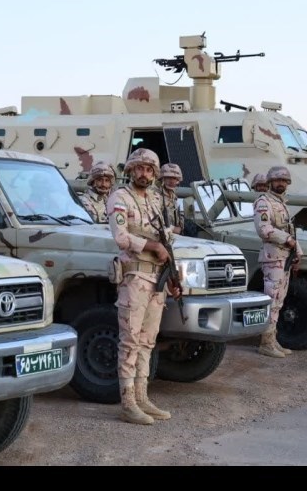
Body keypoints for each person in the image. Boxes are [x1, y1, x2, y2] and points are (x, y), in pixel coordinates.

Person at [106, 148, 180, 425]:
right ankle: (128, 403)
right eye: (139, 168)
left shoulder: (155, 200)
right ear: (130, 170)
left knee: (148, 341)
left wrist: (173, 277)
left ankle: (142, 397)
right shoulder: (120, 198)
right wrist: (152, 246)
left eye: (149, 170)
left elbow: (166, 241)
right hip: (135, 277)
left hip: (156, 279)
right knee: (130, 340)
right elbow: (121, 237)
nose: (144, 174)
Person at [253, 165, 303, 359]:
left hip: (284, 258)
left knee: (279, 301)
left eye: (283, 180)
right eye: (277, 180)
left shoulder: (282, 203)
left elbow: (289, 230)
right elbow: (264, 229)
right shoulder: (264, 202)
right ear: (270, 182)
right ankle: (265, 343)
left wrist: (297, 251)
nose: (280, 183)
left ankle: (272, 340)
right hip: (273, 258)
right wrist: (288, 240)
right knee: (271, 299)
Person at [157, 163, 184, 234]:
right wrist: (173, 229)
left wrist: (181, 226)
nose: (172, 181)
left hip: (173, 234)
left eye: (174, 178)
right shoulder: (155, 196)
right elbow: (153, 220)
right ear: (162, 178)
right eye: (168, 177)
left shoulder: (173, 195)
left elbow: (178, 215)